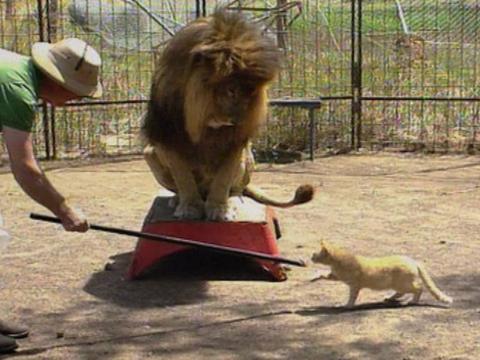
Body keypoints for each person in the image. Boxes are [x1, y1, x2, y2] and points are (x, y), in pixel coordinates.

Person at [0, 38, 102, 353]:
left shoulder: (15, 72)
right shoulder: (17, 89)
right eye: (75, 92)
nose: (75, 99)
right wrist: (63, 209)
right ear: (57, 80)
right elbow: (26, 168)